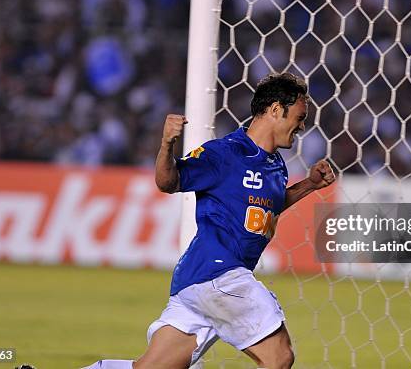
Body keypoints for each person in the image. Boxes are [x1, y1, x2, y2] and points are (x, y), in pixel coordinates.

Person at [83, 73, 335, 369]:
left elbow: (271, 205)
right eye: (300, 116)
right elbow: (168, 182)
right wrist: (167, 144)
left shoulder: (275, 164)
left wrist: (309, 185)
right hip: (219, 275)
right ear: (276, 110)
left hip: (198, 283)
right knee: (279, 357)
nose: (303, 125)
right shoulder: (225, 153)